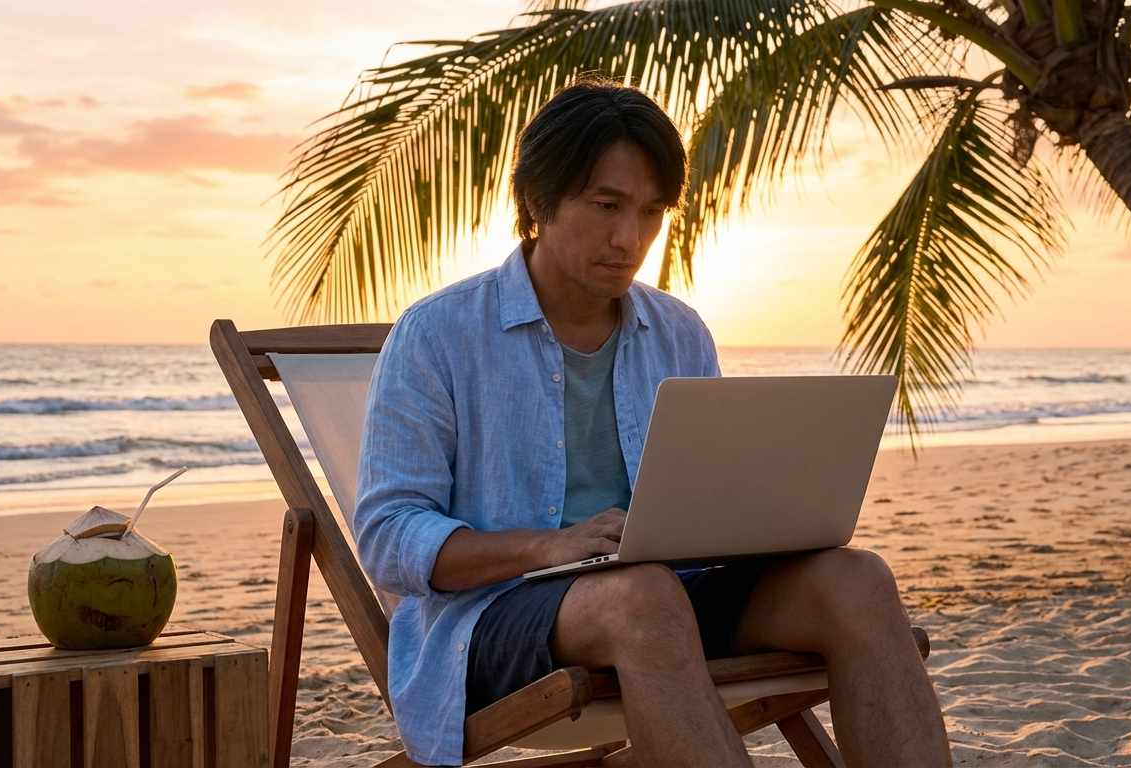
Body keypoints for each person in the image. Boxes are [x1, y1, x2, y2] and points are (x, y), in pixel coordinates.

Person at [354, 77, 951, 767]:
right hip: (492, 619)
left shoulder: (677, 332)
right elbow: (388, 533)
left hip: (664, 599)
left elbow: (711, 502)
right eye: (607, 205)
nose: (628, 238)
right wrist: (546, 548)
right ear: (537, 201)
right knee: (642, 594)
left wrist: (764, 520)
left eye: (650, 211)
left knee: (859, 582)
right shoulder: (438, 334)